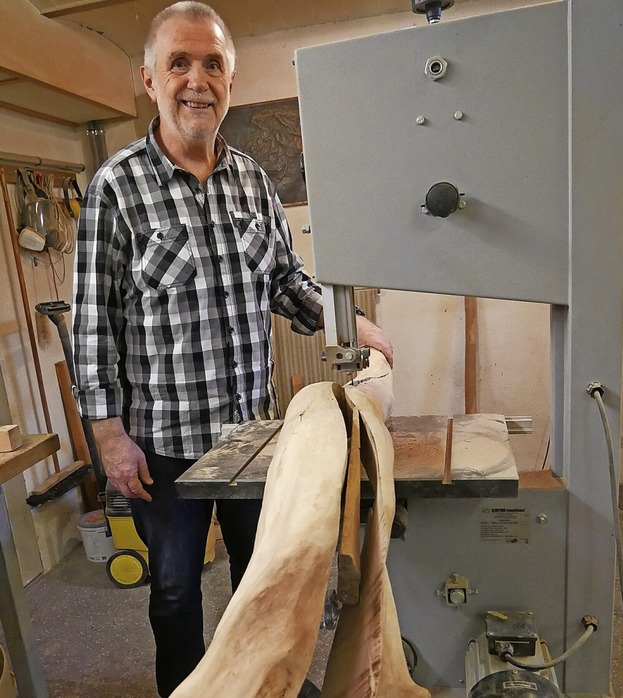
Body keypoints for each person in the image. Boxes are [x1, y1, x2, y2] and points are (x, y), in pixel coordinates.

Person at [72, 2, 393, 696]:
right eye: (179, 63)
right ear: (149, 79)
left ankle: (268, 687)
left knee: (267, 581)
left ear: (231, 80)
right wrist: (108, 435)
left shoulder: (252, 180)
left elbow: (285, 281)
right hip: (166, 448)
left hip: (253, 437)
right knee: (175, 593)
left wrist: (351, 326)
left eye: (212, 63)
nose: (197, 79)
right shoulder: (114, 190)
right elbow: (91, 323)